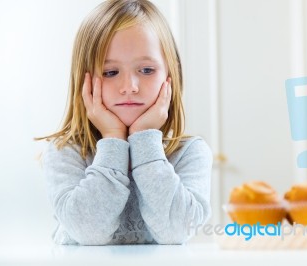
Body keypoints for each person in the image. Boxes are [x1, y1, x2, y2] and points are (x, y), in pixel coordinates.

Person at [36, 0, 212, 245]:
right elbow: (88, 231)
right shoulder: (65, 152)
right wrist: (113, 140)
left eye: (147, 70)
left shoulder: (190, 153)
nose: (130, 87)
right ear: (83, 82)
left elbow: (178, 231)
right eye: (110, 73)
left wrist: (145, 139)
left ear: (170, 77)